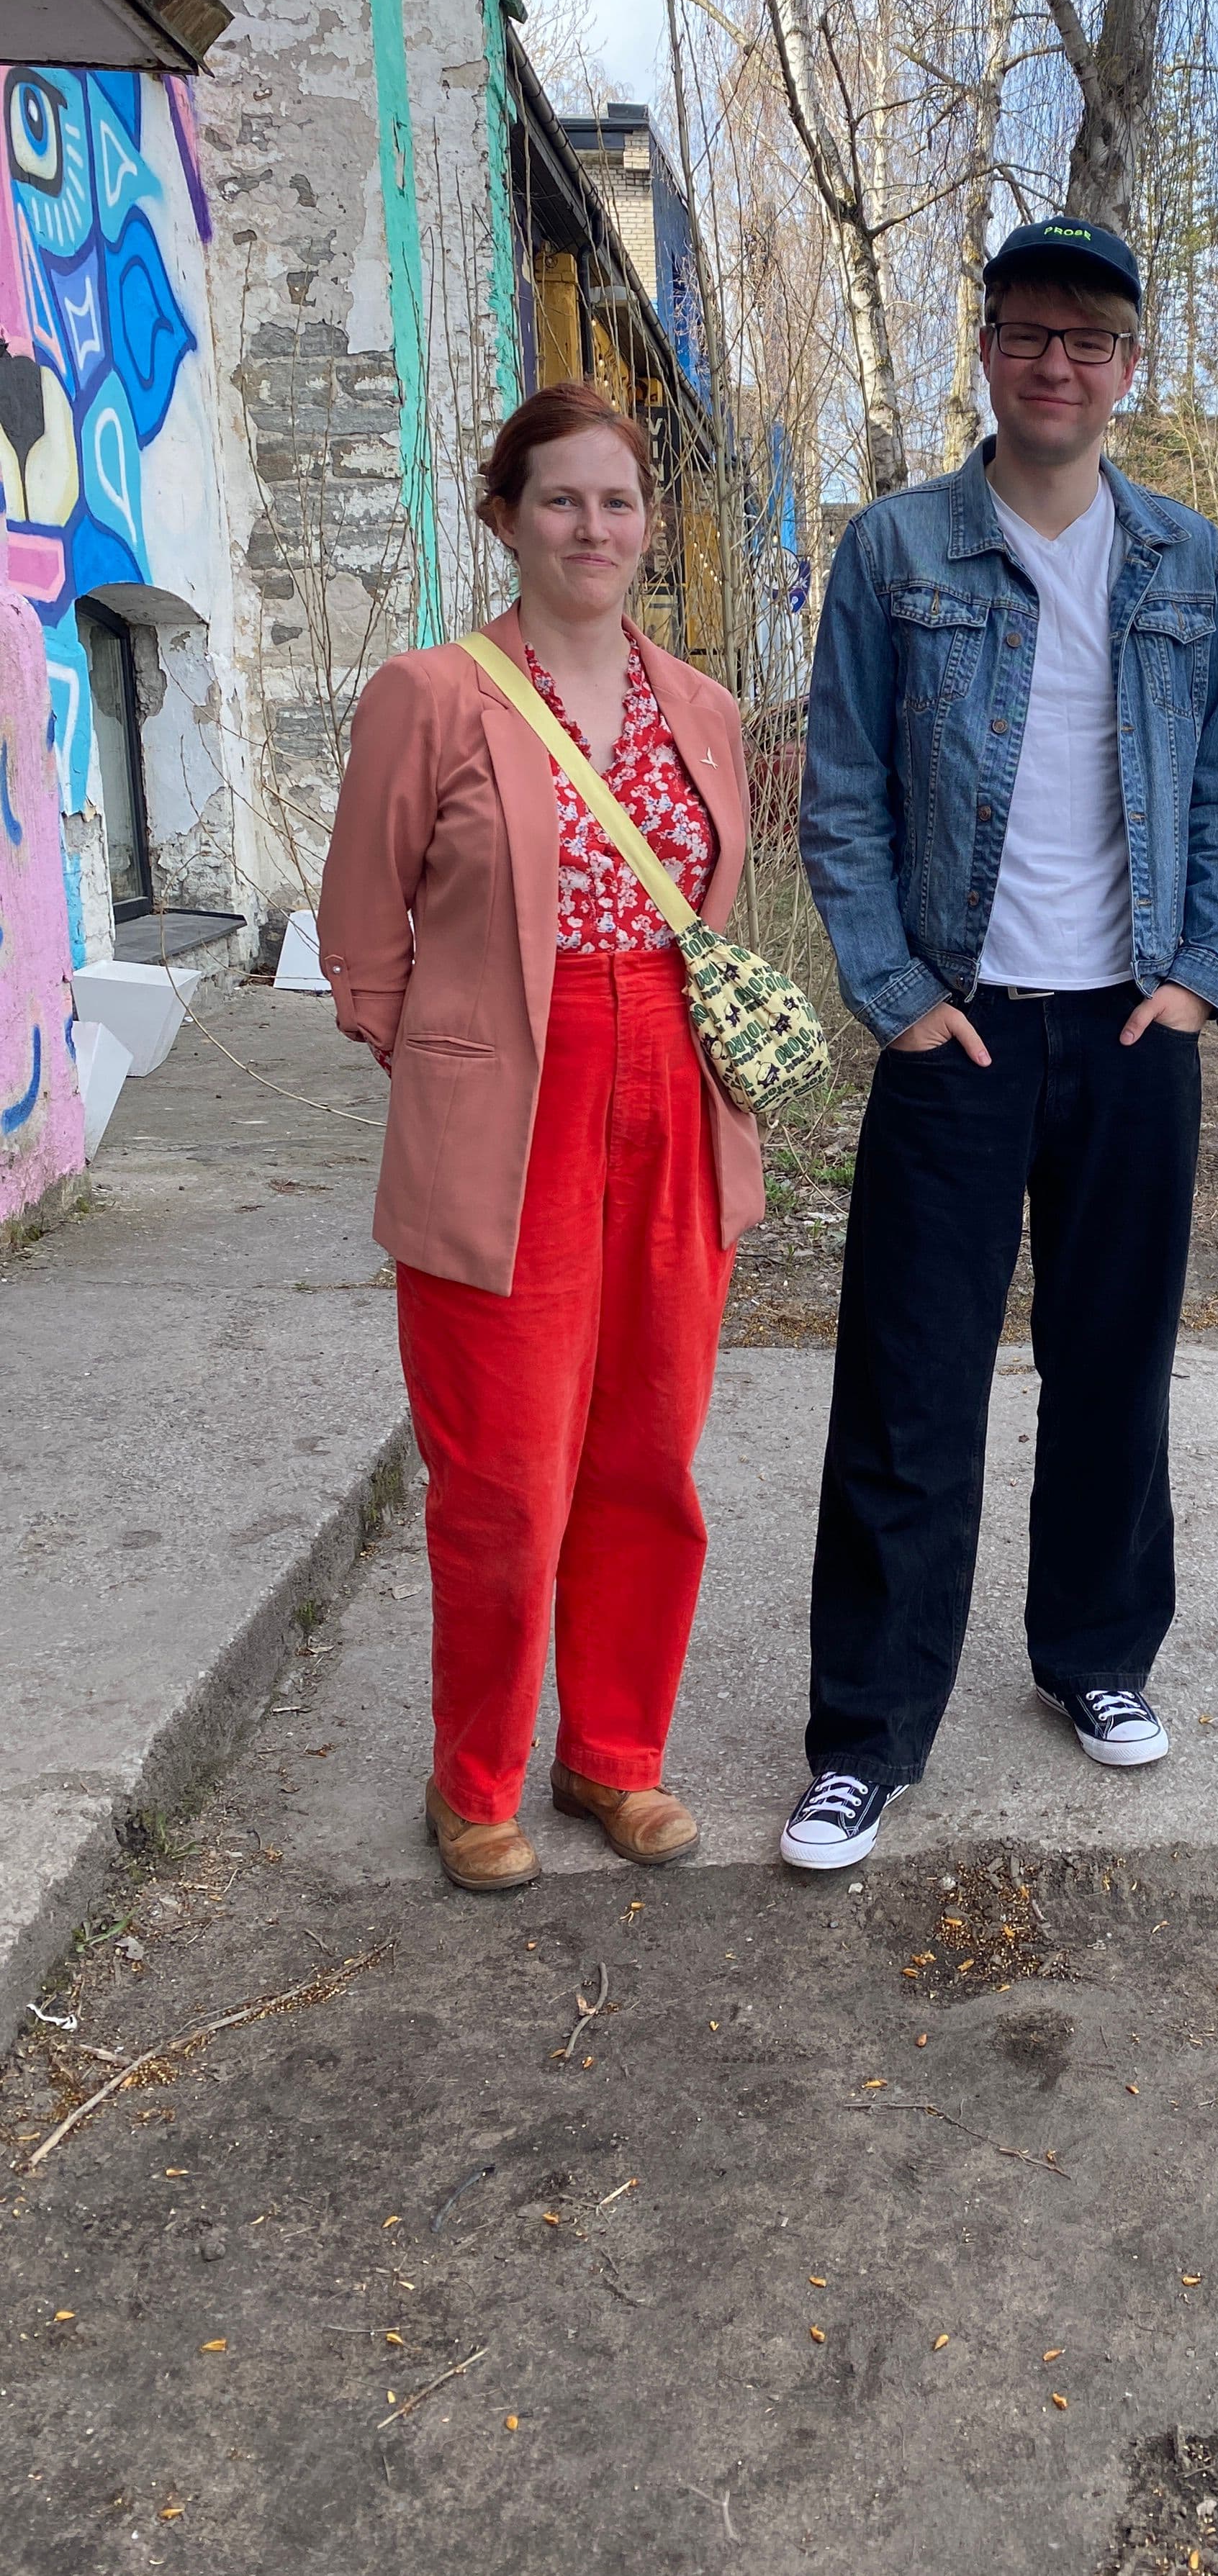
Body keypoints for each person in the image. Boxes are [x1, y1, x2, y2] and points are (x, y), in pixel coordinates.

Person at [782, 215, 1218, 1870]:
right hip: (959, 1035)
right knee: (910, 1386)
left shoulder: (1185, 561)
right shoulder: (898, 549)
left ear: (1129, 367)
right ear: (985, 350)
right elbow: (841, 796)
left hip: (1129, 1028)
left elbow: (1216, 796)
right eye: (1029, 333)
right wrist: (896, 996)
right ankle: (867, 1733)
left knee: (1115, 1366)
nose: (1060, 363)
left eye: (1091, 339)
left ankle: (1097, 1657)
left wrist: (1200, 981)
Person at [317, 382, 764, 1892]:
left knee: (648, 1453)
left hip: (676, 1099)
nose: (592, 526)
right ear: (504, 517)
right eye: (560, 499)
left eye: (617, 500)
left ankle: (615, 1757)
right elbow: (361, 929)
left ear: (649, 525)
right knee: (505, 1474)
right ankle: (476, 1780)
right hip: (509, 1110)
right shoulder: (431, 694)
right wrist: (451, 1066)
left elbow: (710, 915)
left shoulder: (703, 709)